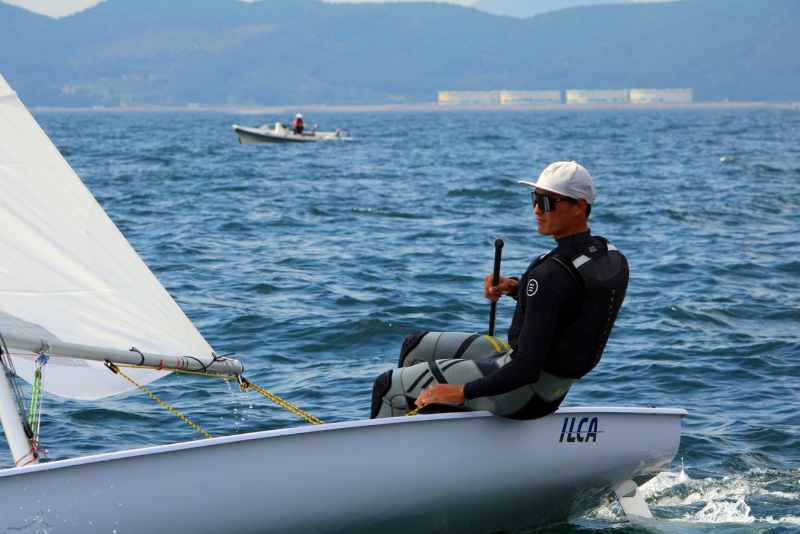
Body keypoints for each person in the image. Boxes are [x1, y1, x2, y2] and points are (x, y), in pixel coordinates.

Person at [370, 161, 629, 420]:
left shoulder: (551, 273)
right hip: (546, 387)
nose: (537, 209)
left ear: (580, 206)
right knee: (414, 347)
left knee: (388, 386)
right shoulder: (612, 257)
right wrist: (515, 287)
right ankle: (422, 425)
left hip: (520, 393)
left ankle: (381, 453)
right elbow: (574, 306)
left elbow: (526, 368)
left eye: (548, 202)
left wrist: (462, 391)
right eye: (535, 199)